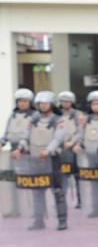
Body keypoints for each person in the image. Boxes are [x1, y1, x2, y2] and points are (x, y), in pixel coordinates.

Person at [16, 90, 69, 230]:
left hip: (52, 160)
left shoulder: (59, 120)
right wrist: (20, 148)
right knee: (37, 191)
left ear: (52, 104)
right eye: (40, 103)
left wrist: (48, 150)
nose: (43, 106)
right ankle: (38, 221)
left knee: (57, 190)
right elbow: (25, 136)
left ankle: (62, 220)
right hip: (35, 159)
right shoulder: (33, 119)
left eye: (46, 103)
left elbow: (58, 138)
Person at [70, 90, 98, 218]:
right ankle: (96, 208)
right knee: (94, 182)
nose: (95, 106)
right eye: (93, 104)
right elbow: (81, 134)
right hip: (90, 154)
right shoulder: (86, 119)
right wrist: (79, 144)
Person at [2, 87, 35, 218]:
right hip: (13, 152)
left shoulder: (34, 116)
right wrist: (2, 142)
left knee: (28, 181)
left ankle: (32, 210)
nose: (22, 103)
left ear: (30, 102)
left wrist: (21, 149)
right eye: (20, 101)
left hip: (28, 152)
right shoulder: (13, 116)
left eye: (25, 101)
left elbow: (31, 136)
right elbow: (7, 133)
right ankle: (15, 209)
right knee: (12, 181)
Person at [55, 91, 80, 210]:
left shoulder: (78, 114)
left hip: (74, 148)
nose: (65, 103)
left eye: (67, 101)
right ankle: (61, 199)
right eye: (63, 101)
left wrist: (72, 142)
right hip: (60, 148)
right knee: (62, 175)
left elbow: (81, 130)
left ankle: (80, 200)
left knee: (77, 175)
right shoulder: (55, 114)